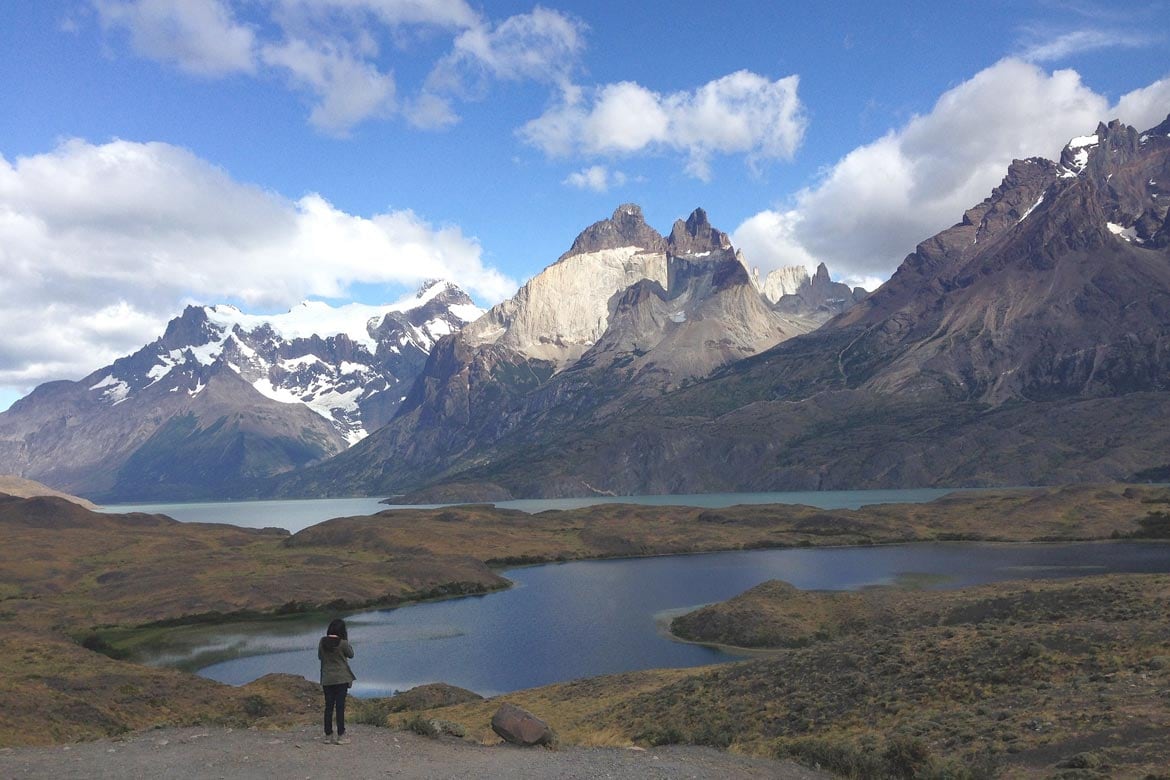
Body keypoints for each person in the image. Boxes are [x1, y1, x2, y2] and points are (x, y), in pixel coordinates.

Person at [318, 617, 356, 744]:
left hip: (327, 679)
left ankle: (328, 735)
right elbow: (351, 654)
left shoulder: (322, 642)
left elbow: (320, 657)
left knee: (328, 707)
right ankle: (341, 735)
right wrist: (346, 641)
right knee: (340, 707)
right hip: (341, 679)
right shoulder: (343, 643)